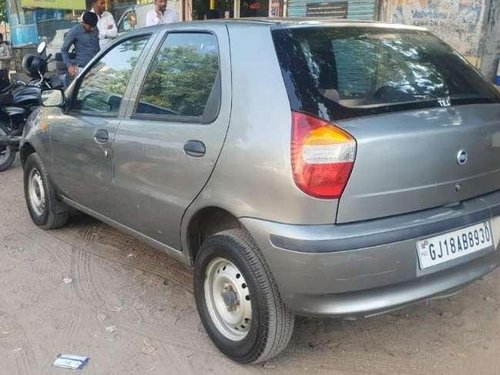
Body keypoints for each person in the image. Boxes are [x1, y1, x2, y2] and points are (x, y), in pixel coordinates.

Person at [61, 11, 100, 79]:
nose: (92, 29)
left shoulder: (95, 28)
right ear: (84, 23)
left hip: (97, 67)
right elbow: (64, 50)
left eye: (94, 26)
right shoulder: (75, 31)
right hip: (82, 69)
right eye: (90, 26)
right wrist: (69, 66)